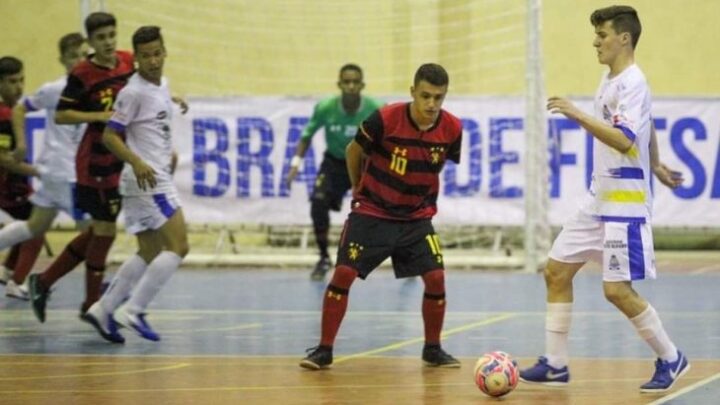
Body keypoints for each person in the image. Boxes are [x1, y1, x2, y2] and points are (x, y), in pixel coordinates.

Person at [519, 5, 689, 393]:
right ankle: (556, 364)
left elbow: (625, 138)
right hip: (599, 199)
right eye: (595, 35)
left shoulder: (633, 81)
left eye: (602, 35)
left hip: (624, 207)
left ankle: (670, 357)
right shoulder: (611, 79)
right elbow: (645, 127)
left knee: (616, 290)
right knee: (557, 270)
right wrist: (658, 163)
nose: (595, 42)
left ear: (624, 38)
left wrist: (576, 114)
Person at [300, 63, 462, 370]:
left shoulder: (452, 128)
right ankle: (323, 350)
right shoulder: (386, 118)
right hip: (373, 212)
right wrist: (358, 187)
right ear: (412, 92)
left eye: (438, 97)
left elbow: (436, 163)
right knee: (344, 274)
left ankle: (432, 349)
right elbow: (353, 151)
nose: (431, 104)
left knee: (436, 277)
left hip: (416, 218)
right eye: (425, 96)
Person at [83, 25, 189, 344]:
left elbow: (154, 107)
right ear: (136, 60)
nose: (153, 61)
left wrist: (172, 101)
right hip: (149, 180)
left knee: (150, 249)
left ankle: (103, 309)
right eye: (145, 57)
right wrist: (137, 161)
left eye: (157, 53)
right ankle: (135, 309)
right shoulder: (133, 92)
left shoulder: (159, 86)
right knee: (179, 247)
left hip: (151, 179)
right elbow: (110, 135)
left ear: (164, 52)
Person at [27, 12, 135, 322]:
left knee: (98, 232)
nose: (109, 42)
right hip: (94, 162)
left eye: (112, 34)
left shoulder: (127, 62)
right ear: (90, 42)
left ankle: (44, 281)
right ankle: (90, 305)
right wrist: (97, 117)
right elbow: (62, 115)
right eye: (101, 38)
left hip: (119, 158)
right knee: (105, 231)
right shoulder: (83, 73)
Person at [0, 34, 90, 300]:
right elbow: (19, 114)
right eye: (74, 55)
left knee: (33, 226)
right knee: (95, 231)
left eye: (85, 55)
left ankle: (15, 275)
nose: (80, 60)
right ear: (62, 59)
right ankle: (31, 282)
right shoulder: (52, 90)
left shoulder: (93, 87)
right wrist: (28, 155)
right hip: (51, 177)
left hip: (52, 175)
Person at [286, 64, 383, 280]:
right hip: (335, 163)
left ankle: (398, 254)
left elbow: (388, 139)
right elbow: (306, 136)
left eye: (355, 82)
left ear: (362, 85)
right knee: (318, 202)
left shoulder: (376, 109)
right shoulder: (326, 108)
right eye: (346, 82)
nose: (350, 86)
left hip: (365, 163)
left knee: (387, 209)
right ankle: (323, 258)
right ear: (339, 84)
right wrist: (295, 164)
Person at [0, 56, 45, 300]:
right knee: (37, 228)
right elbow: (5, 160)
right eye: (11, 81)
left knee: (23, 227)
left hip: (13, 186)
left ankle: (7, 271)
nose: (18, 87)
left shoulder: (13, 113)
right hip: (8, 187)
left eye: (21, 80)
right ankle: (17, 282)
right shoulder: (4, 117)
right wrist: (39, 172)